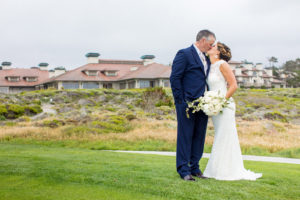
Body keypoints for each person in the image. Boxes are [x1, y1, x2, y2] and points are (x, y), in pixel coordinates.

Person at [203, 42, 262, 180]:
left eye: (213, 46)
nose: (209, 47)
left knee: (225, 135)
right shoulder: (209, 65)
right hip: (214, 104)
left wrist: (221, 102)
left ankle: (226, 171)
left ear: (217, 52)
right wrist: (211, 102)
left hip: (224, 105)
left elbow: (233, 85)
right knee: (220, 135)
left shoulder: (222, 64)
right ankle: (216, 170)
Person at [170, 29, 216, 181]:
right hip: (187, 103)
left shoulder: (206, 58)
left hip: (203, 104)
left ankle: (195, 168)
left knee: (199, 136)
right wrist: (180, 101)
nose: (212, 47)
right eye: (210, 44)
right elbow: (175, 78)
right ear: (202, 40)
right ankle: (183, 170)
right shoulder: (184, 54)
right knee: (185, 136)